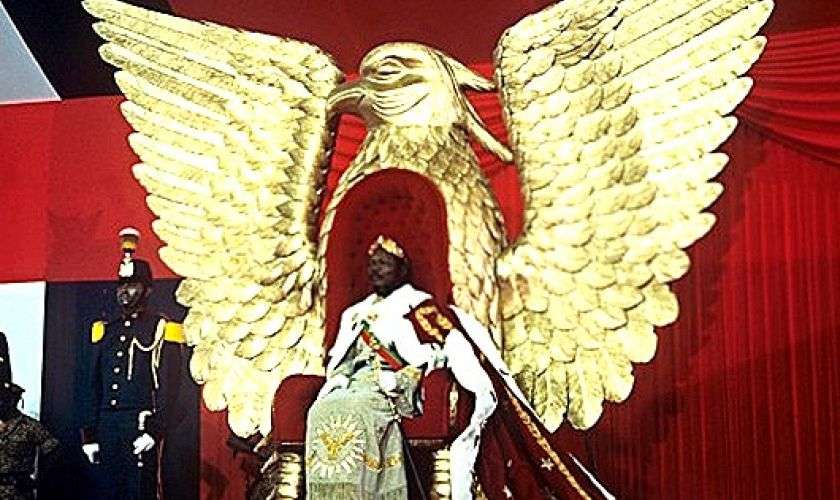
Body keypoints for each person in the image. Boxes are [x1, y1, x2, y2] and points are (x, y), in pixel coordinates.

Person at [307, 235, 613, 500]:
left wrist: (403, 377)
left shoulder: (419, 306)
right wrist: (338, 379)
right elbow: (340, 359)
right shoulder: (354, 313)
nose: (376, 269)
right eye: (373, 264)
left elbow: (438, 353)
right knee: (320, 410)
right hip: (351, 384)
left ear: (402, 269)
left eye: (384, 263)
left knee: (359, 411)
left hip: (392, 387)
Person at [80, 228, 185, 500]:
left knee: (139, 491)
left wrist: (155, 430)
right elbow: (92, 385)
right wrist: (89, 434)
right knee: (107, 492)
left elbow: (171, 387)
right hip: (107, 426)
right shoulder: (105, 330)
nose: (124, 292)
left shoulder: (162, 328)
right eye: (121, 286)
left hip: (139, 424)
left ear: (147, 290)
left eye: (132, 286)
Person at [0, 380, 58, 500]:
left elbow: (53, 450)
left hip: (16, 492)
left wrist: (39, 480)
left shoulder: (30, 426)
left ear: (13, 401)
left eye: (3, 400)